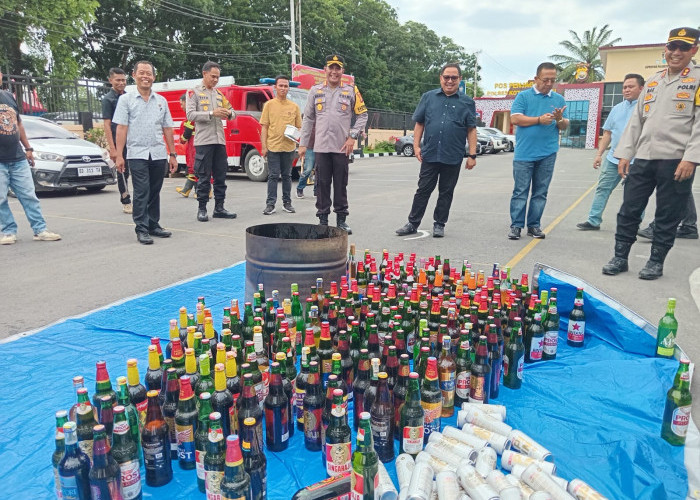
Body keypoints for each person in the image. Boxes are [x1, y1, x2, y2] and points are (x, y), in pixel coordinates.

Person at [602, 27, 700, 280]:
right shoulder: (654, 81)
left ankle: (656, 261)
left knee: (668, 213)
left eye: (683, 47)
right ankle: (620, 257)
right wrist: (625, 153)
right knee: (629, 209)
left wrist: (691, 157)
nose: (676, 52)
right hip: (643, 158)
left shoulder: (698, 80)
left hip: (676, 160)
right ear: (665, 49)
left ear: (694, 50)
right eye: (673, 47)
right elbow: (636, 121)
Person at [395, 63, 478, 238]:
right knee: (423, 190)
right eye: (446, 77)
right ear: (440, 78)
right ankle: (412, 223)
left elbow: (471, 129)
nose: (449, 81)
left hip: (453, 155)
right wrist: (416, 146)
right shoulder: (428, 97)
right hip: (430, 153)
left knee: (446, 192)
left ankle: (439, 224)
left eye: (454, 78)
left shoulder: (467, 102)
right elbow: (420, 123)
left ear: (459, 79)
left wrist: (472, 155)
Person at [298, 54, 368, 234]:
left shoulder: (351, 90)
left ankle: (341, 220)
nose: (334, 72)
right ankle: (322, 219)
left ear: (342, 71)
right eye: (331, 68)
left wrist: (352, 136)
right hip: (321, 147)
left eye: (338, 68)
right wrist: (303, 143)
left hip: (341, 147)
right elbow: (308, 119)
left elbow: (363, 115)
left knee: (340, 184)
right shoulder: (315, 91)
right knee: (321, 184)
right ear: (325, 69)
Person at [113, 60, 179, 245]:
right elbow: (121, 128)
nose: (145, 76)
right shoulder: (126, 100)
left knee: (155, 190)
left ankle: (153, 224)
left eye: (148, 73)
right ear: (134, 76)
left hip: (158, 153)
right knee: (142, 191)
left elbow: (167, 128)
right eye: (141, 73)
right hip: (137, 154)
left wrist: (172, 154)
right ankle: (141, 228)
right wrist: (119, 155)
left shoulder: (161, 101)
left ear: (154, 77)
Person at [507, 62, 569, 240]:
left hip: (548, 153)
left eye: (553, 80)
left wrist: (559, 119)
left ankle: (534, 226)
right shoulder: (523, 97)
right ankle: (516, 226)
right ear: (536, 78)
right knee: (520, 191)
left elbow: (565, 125)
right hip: (524, 154)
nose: (549, 83)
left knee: (540, 192)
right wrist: (538, 120)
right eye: (545, 80)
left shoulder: (558, 100)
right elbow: (515, 118)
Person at [0, 71, 61, 245]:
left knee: (29, 195)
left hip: (17, 157)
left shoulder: (7, 96)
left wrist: (28, 148)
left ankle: (40, 230)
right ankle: (8, 231)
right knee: (1, 199)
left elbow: (18, 123)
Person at [577, 74, 645, 231]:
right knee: (602, 189)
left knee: (635, 195)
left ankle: (633, 225)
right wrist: (599, 154)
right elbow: (607, 133)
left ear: (641, 88)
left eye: (631, 87)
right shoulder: (616, 109)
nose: (626, 90)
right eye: (625, 87)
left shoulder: (646, 109)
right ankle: (593, 220)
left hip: (635, 161)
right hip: (612, 159)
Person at [186, 61, 237, 222]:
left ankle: (219, 207)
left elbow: (233, 113)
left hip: (219, 140)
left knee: (221, 175)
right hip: (203, 141)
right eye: (213, 76)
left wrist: (228, 113)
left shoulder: (219, 94)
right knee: (203, 176)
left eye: (217, 77)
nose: (215, 80)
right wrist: (211, 113)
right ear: (204, 74)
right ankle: (202, 209)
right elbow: (190, 115)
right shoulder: (193, 92)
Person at [260, 75, 302, 215]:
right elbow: (264, 127)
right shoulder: (269, 105)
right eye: (281, 86)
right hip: (273, 146)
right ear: (275, 87)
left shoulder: (294, 107)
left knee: (287, 176)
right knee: (272, 176)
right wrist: (264, 146)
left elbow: (299, 128)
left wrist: (296, 136)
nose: (283, 88)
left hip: (289, 147)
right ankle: (270, 204)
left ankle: (287, 203)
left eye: (285, 86)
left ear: (288, 88)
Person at [101, 68, 132, 214]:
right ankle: (126, 201)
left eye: (123, 80)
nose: (121, 83)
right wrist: (112, 148)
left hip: (132, 140)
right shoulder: (108, 99)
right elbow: (107, 125)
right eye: (118, 80)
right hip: (118, 141)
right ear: (111, 80)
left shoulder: (129, 97)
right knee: (122, 171)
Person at [175, 93, 198, 197]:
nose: (181, 106)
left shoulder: (191, 114)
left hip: (195, 144)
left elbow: (188, 129)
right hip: (192, 144)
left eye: (182, 104)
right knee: (192, 168)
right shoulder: (193, 113)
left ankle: (203, 191)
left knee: (196, 167)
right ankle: (186, 190)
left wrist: (183, 138)